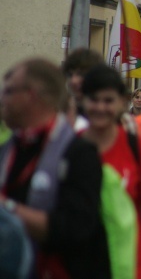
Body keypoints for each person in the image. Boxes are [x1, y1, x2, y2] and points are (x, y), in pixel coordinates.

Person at [0, 58, 110, 278]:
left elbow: (76, 230)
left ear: (31, 95)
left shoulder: (79, 153)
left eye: (9, 91)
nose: (2, 99)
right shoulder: (9, 149)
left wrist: (7, 208)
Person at [81, 65, 141, 279]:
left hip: (130, 270)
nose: (101, 107)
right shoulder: (69, 147)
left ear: (121, 103)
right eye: (94, 99)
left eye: (108, 100)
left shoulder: (140, 151)